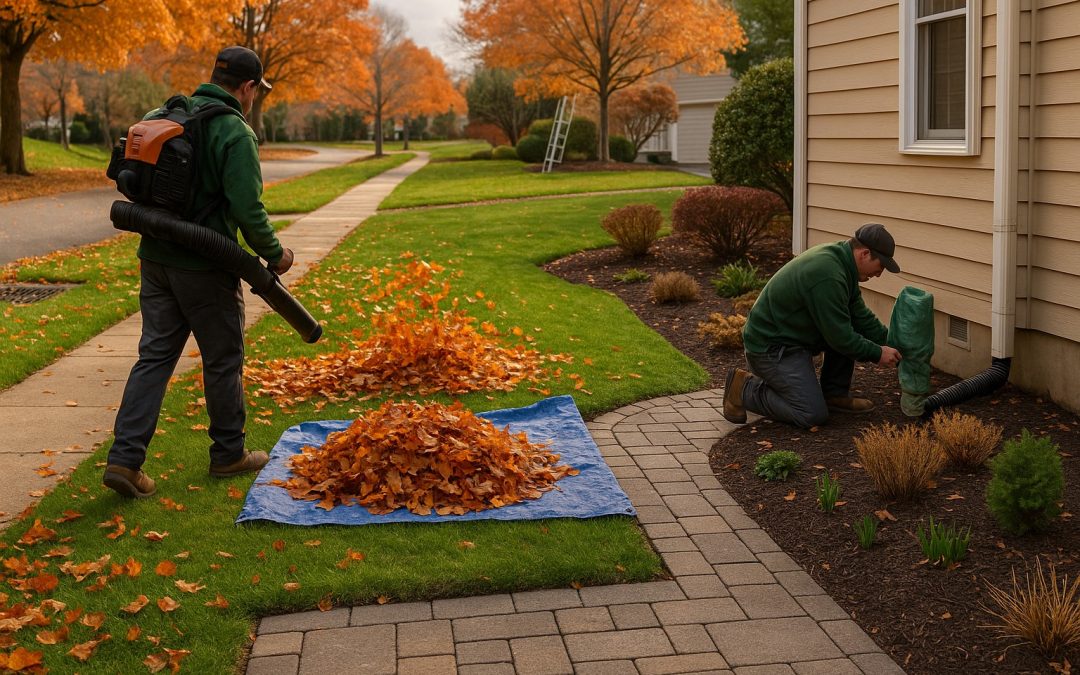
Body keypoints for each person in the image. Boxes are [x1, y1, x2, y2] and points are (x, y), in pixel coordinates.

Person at [103, 46, 293, 498]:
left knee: (154, 357)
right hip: (207, 268)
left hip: (156, 261)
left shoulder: (164, 114)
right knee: (223, 359)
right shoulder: (234, 132)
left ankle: (125, 461)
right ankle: (229, 454)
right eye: (255, 91)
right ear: (247, 88)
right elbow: (248, 209)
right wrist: (276, 253)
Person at [722, 223, 903, 430]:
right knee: (810, 413)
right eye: (880, 266)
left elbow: (860, 317)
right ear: (865, 253)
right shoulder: (828, 275)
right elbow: (840, 337)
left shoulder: (843, 263)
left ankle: (834, 395)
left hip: (793, 340)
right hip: (772, 349)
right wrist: (877, 353)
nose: (879, 274)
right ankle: (743, 389)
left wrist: (893, 343)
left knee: (845, 325)